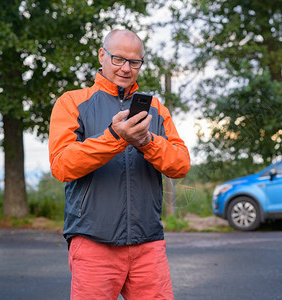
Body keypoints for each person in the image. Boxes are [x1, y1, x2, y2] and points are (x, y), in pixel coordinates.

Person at [48, 29, 190, 299]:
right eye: (117, 59)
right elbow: (62, 165)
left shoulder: (156, 109)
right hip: (93, 243)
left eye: (134, 62)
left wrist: (147, 141)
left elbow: (180, 165)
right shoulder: (72, 102)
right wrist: (115, 137)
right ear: (102, 55)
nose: (126, 68)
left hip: (148, 244)